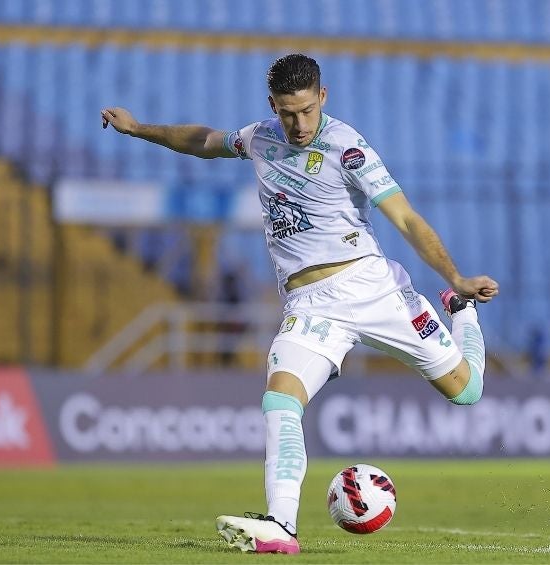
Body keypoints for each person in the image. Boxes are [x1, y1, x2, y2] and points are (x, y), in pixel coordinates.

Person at [102, 53, 498, 554]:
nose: (299, 123)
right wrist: (139, 129)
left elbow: (407, 220)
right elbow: (205, 141)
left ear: (323, 97)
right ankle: (281, 527)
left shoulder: (348, 148)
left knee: (466, 392)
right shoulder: (261, 138)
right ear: (273, 105)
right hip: (310, 306)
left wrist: (457, 279)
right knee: (280, 399)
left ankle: (460, 312)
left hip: (372, 288)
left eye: (307, 110)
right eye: (288, 113)